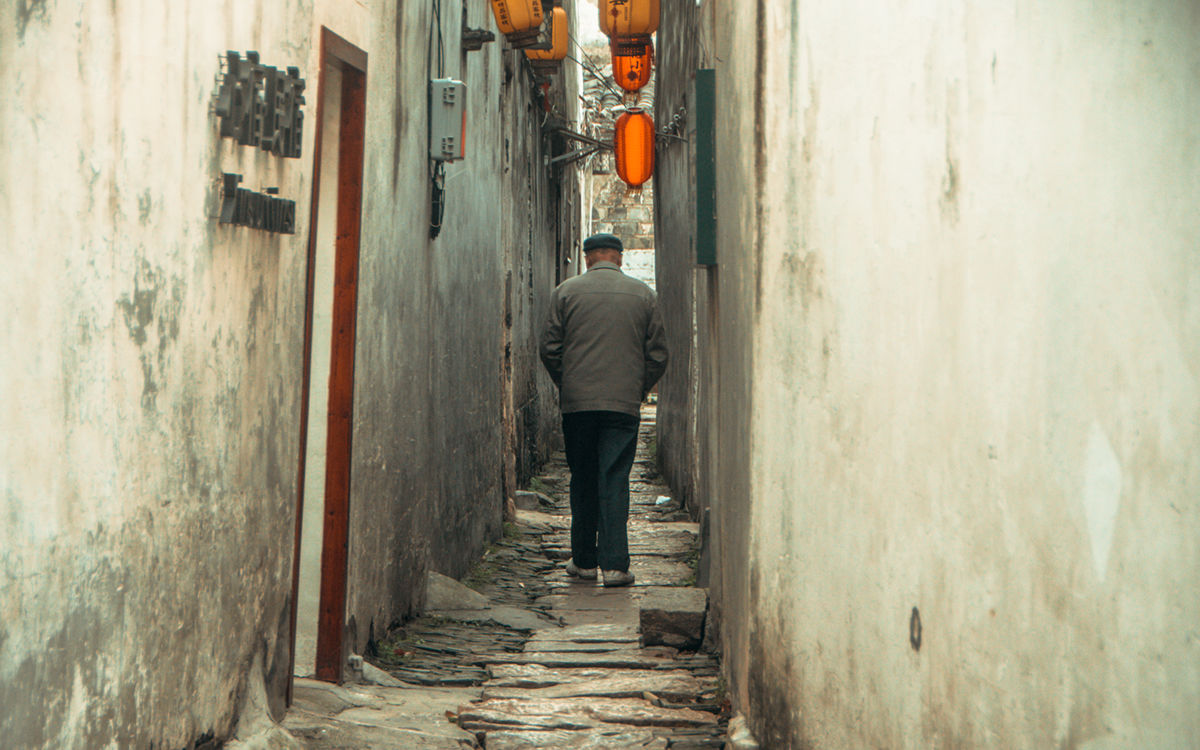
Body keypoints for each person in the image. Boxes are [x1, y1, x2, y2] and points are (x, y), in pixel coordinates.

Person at [539, 233, 669, 587]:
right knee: (614, 477)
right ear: (620, 259)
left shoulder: (565, 293)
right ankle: (614, 566)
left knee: (582, 477)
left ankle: (582, 561)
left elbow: (550, 348)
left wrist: (568, 383)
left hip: (578, 404)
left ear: (587, 259)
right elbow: (658, 354)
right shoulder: (643, 295)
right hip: (622, 405)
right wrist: (637, 388)